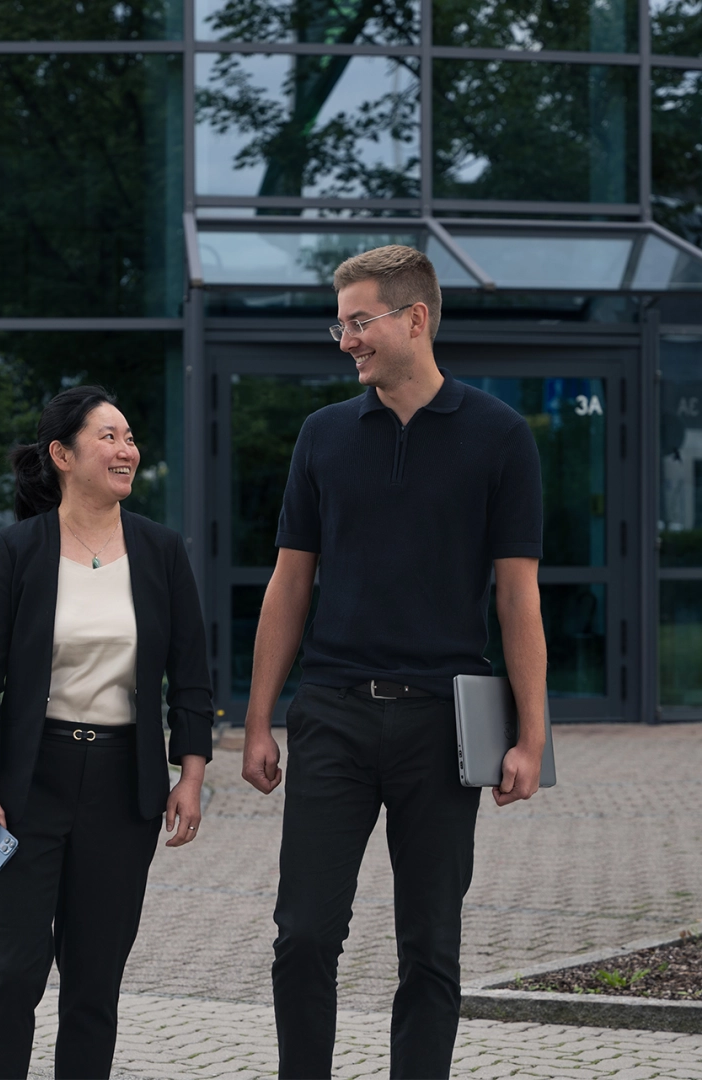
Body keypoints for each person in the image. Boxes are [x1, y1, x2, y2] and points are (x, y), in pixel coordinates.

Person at [242, 245, 549, 1078]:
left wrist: (532, 736)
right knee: (304, 934)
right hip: (332, 711)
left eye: (359, 321)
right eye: (339, 325)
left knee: (431, 945)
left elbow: (518, 598)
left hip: (444, 722)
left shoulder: (500, 436)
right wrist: (259, 719)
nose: (346, 340)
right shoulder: (324, 435)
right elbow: (289, 585)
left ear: (415, 318)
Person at [0, 385, 215, 1080]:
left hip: (124, 792)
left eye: (129, 437)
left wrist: (190, 777)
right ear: (63, 455)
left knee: (95, 982)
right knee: (12, 970)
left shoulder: (161, 551)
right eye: (109, 437)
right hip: (22, 791)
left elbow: (191, 677)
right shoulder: (16, 551)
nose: (127, 450)